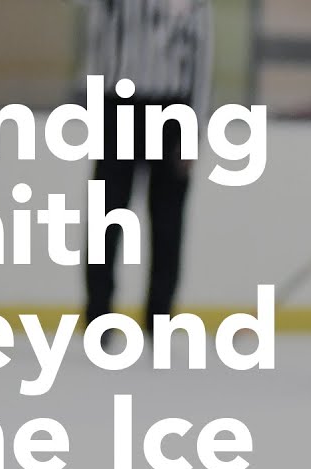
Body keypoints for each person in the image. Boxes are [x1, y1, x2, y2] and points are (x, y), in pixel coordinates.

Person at [76, 0, 212, 337]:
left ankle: (159, 317)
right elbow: (95, 44)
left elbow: (203, 61)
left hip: (171, 110)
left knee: (167, 222)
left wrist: (193, 131)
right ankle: (99, 314)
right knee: (107, 214)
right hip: (119, 106)